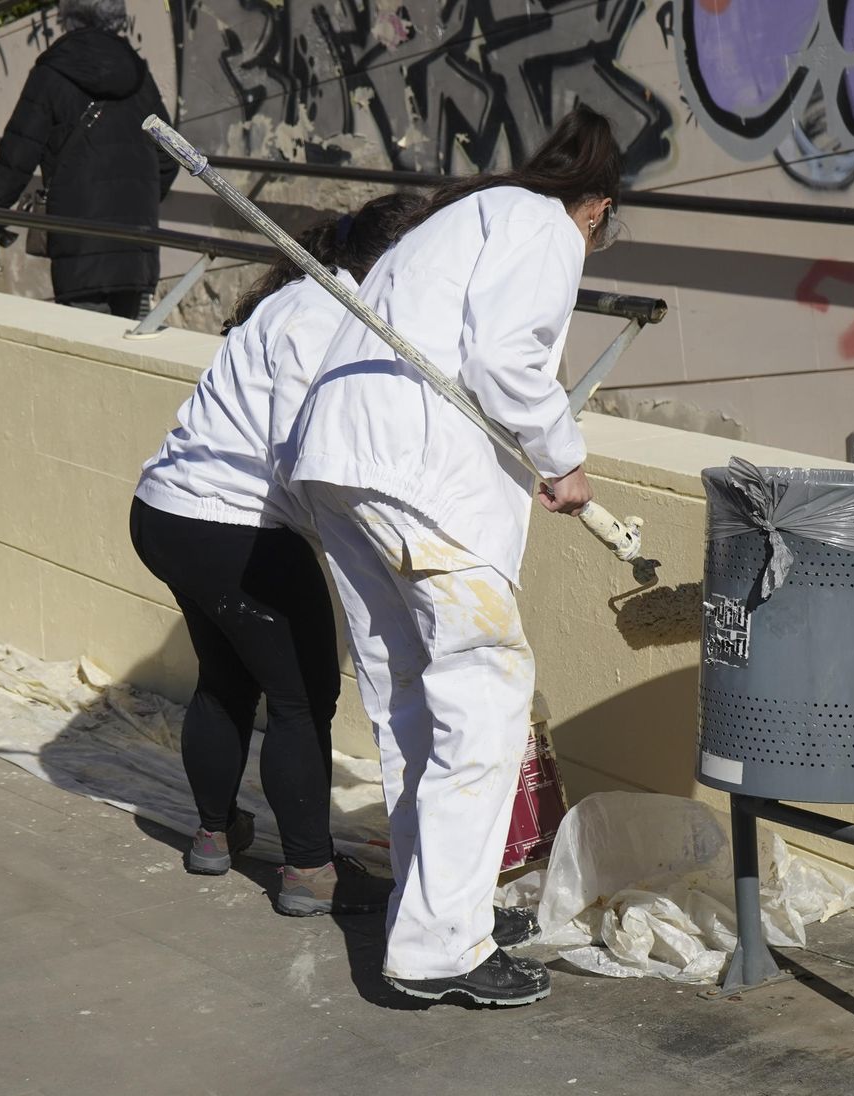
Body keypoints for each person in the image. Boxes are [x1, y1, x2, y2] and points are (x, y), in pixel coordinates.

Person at [288, 105, 621, 1003]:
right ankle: (443, 949)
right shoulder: (545, 226)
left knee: (409, 703)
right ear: (596, 207)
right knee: (483, 698)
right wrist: (565, 461)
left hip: (342, 466)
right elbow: (509, 359)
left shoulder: (460, 221)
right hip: (420, 479)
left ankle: (438, 910)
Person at [130, 194, 420, 917]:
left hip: (167, 511)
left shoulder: (300, 297)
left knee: (226, 678)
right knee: (300, 700)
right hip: (234, 527)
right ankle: (307, 871)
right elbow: (306, 452)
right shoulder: (324, 321)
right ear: (390, 263)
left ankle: (213, 834)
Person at [0, 0, 178, 320]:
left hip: (77, 240)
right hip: (136, 242)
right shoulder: (137, 72)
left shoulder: (52, 72)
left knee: (86, 343)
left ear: (67, 16)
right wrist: (138, 196)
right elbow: (170, 154)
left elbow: (19, 151)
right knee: (132, 347)